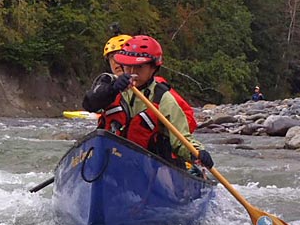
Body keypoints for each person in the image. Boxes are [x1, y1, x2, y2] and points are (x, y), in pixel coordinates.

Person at [83, 35, 214, 169]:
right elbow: (90, 104)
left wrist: (197, 152)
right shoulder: (109, 85)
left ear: (153, 68)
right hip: (109, 158)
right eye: (128, 66)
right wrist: (113, 89)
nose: (132, 72)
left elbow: (181, 140)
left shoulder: (164, 99)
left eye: (139, 67)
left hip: (146, 165)